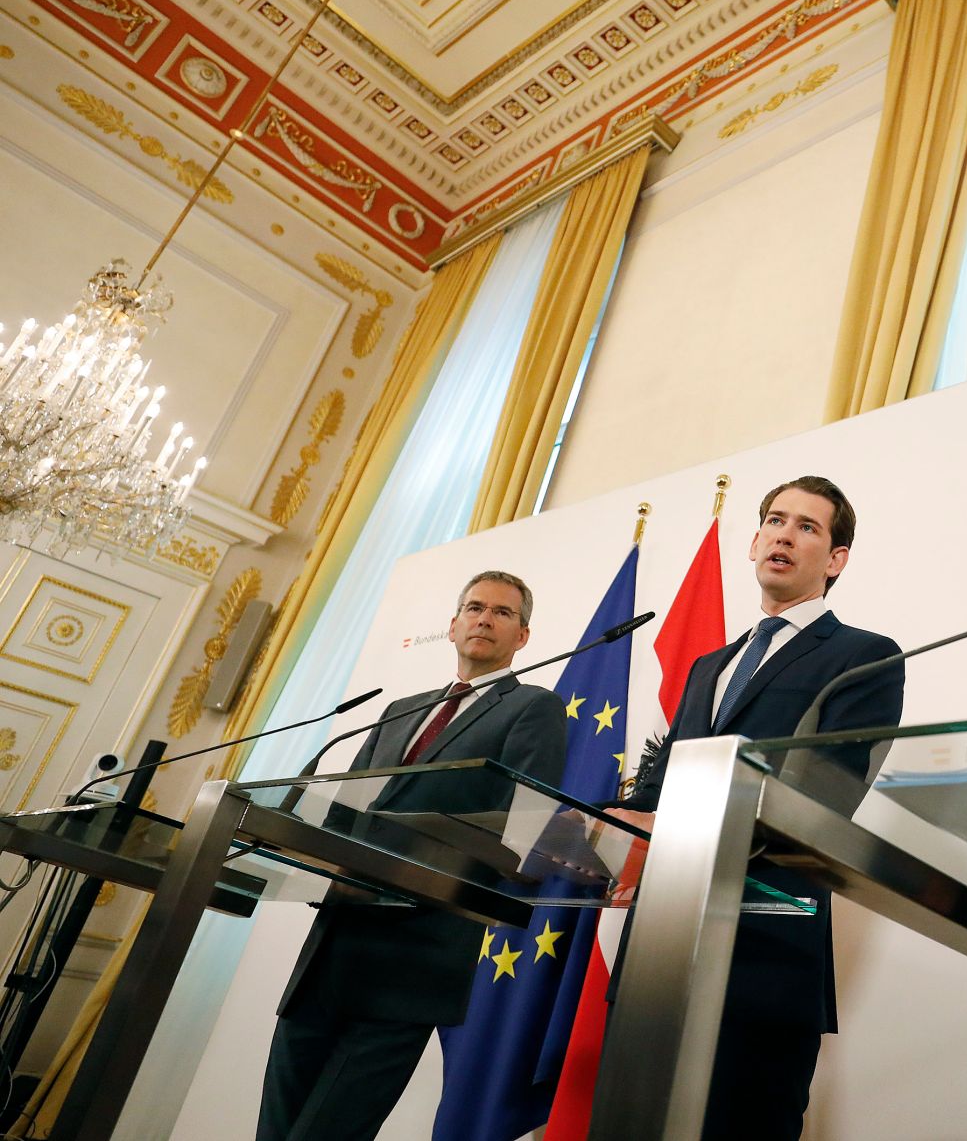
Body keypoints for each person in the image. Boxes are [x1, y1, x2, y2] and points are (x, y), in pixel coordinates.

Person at [613, 475, 905, 1141]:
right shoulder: (708, 665)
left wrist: (681, 823)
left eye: (807, 526)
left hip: (766, 953)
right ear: (753, 540)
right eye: (775, 519)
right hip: (659, 956)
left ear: (836, 559)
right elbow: (663, 790)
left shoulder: (864, 657)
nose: (784, 533)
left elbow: (826, 799)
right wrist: (616, 823)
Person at [258, 571, 567, 1141]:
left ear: (523, 636)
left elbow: (522, 826)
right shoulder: (402, 708)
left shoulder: (532, 708)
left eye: (502, 613)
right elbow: (346, 808)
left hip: (415, 956)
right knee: (275, 1129)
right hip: (334, 945)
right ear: (452, 625)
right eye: (474, 607)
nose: (484, 619)